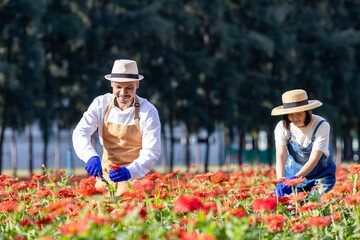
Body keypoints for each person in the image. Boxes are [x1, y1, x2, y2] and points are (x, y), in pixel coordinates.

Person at [72, 59, 161, 196]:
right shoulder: (100, 104)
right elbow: (80, 132)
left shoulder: (148, 111)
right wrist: (90, 155)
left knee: (133, 215)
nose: (123, 92)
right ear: (112, 83)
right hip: (105, 179)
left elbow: (151, 151)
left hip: (137, 179)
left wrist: (130, 171)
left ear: (137, 84)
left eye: (129, 87)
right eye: (118, 86)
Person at [271, 89, 336, 197]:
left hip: (320, 176)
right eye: (290, 115)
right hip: (293, 174)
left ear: (307, 111)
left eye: (299, 114)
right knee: (291, 208)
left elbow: (314, 160)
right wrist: (280, 181)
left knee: (316, 204)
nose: (295, 118)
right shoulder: (281, 127)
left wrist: (295, 179)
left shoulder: (321, 125)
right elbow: (281, 156)